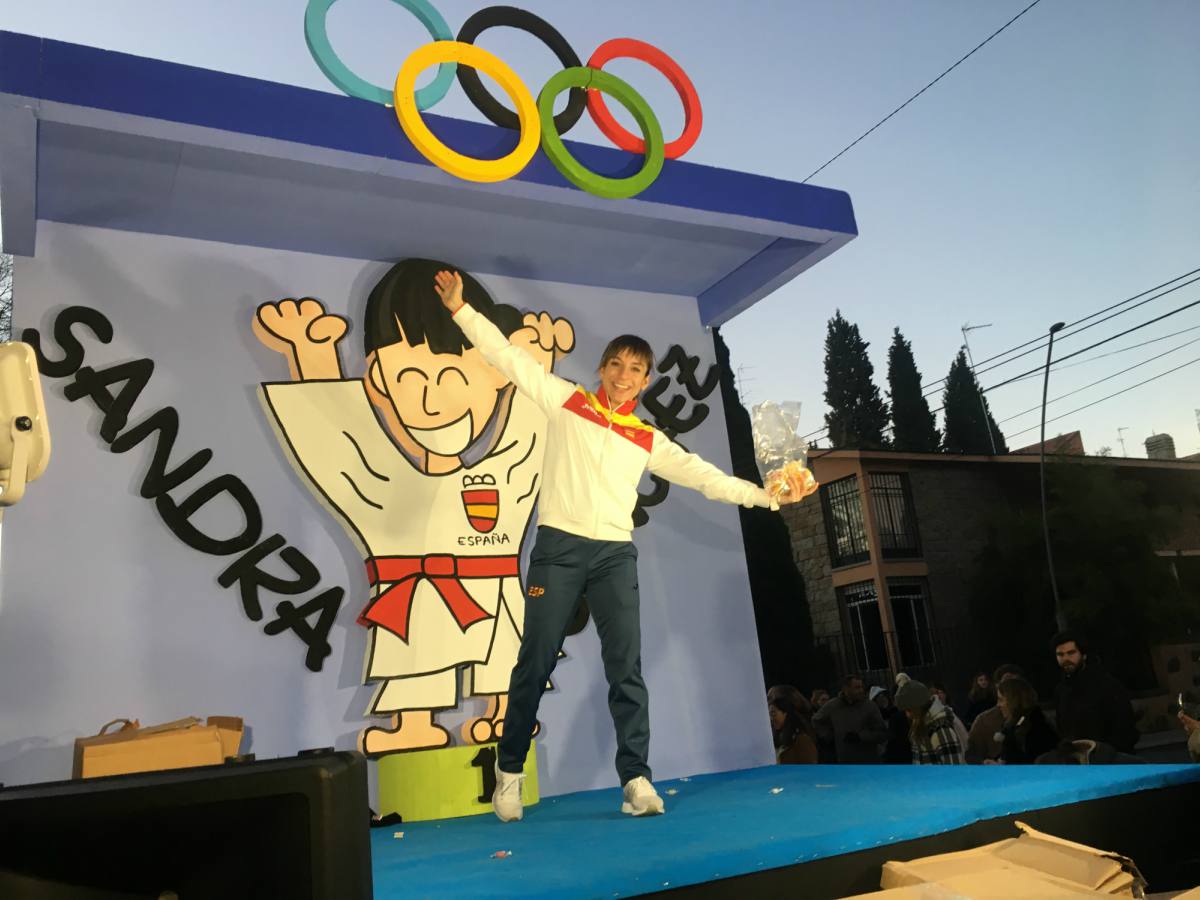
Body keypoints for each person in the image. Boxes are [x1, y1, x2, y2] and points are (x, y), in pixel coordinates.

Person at [434, 270, 809, 821]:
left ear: (647, 380)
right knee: (533, 662)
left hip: (613, 554)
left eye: (636, 369)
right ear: (602, 369)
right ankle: (508, 773)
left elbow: (706, 478)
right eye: (616, 365)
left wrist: (768, 496)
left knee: (625, 669)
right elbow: (507, 358)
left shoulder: (647, 438)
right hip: (559, 547)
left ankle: (635, 779)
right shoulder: (567, 402)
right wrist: (461, 311)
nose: (625, 375)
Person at [255, 259, 573, 754]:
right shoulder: (382, 480)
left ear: (494, 371)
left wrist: (539, 366)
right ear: (378, 378)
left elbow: (532, 431)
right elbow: (341, 440)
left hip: (493, 587)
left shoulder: (504, 467)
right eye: (406, 375)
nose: (430, 398)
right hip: (413, 593)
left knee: (501, 655)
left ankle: (507, 712)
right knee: (418, 653)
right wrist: (310, 356)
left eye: (451, 372)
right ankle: (413, 726)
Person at [1052, 630, 1139, 754]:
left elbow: (1125, 728)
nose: (1066, 659)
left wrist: (1106, 754)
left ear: (1084, 655)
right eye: (1060, 654)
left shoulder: (1106, 685)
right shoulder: (1061, 691)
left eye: (1071, 653)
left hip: (1110, 762)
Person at [812, 675, 888, 764]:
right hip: (846, 760)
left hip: (868, 759)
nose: (861, 691)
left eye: (861, 687)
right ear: (846, 689)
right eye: (856, 688)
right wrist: (830, 736)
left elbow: (881, 733)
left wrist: (861, 737)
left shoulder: (870, 706)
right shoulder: (833, 706)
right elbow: (816, 720)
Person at [894, 673, 965, 764]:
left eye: (908, 710)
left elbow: (953, 768)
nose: (907, 715)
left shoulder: (940, 729)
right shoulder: (923, 725)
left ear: (917, 707)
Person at [965, 663, 1025, 764]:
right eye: (1007, 684)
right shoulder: (984, 721)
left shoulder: (1035, 717)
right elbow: (971, 755)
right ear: (997, 686)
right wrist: (986, 763)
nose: (1012, 690)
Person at [995, 676, 1058, 764]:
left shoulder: (1036, 728)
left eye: (1001, 700)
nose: (998, 705)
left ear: (1013, 700)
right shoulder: (1013, 725)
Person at [768, 685, 818, 764]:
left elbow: (809, 770)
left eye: (771, 698)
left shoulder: (801, 739)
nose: (768, 702)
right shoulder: (776, 736)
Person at [871, 686, 911, 764]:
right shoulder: (874, 718)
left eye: (884, 695)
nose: (883, 698)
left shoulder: (896, 713)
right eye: (879, 696)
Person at [931, 680, 970, 752]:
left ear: (945, 694)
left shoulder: (952, 710)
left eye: (940, 693)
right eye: (936, 693)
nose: (938, 696)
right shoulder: (932, 714)